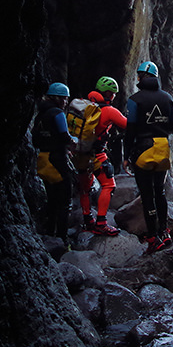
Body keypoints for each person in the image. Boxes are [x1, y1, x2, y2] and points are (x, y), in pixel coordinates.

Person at [123, 61, 173, 253]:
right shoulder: (168, 98)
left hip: (143, 149)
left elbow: (130, 129)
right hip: (162, 149)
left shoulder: (134, 99)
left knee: (147, 194)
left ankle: (153, 236)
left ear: (140, 77)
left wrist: (125, 155)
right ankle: (164, 231)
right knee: (160, 192)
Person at [75, 77, 127, 235]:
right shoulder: (109, 110)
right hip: (96, 154)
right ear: (110, 94)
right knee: (109, 185)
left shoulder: (82, 105)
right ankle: (101, 223)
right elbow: (128, 125)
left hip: (79, 153)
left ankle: (87, 220)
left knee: (84, 189)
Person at [32, 82, 76, 245]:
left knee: (51, 198)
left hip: (43, 159)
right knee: (64, 200)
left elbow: (35, 138)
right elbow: (65, 136)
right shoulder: (57, 113)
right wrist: (73, 142)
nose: (65, 102)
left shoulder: (40, 115)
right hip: (57, 160)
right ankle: (62, 238)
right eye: (64, 99)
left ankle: (49, 232)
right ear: (57, 99)